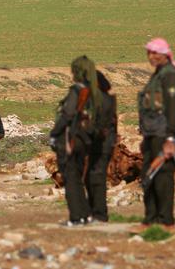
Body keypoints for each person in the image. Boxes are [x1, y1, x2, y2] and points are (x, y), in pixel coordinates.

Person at [135, 38, 175, 233]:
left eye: (155, 53)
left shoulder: (170, 75)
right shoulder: (158, 74)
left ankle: (166, 222)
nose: (151, 57)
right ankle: (150, 219)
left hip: (163, 133)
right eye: (149, 53)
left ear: (164, 54)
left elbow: (172, 107)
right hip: (151, 133)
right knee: (149, 174)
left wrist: (171, 138)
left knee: (163, 176)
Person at [49, 56, 101, 226]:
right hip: (85, 140)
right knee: (78, 178)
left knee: (70, 179)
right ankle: (85, 214)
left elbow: (67, 114)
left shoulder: (77, 91)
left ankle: (76, 217)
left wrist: (54, 133)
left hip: (70, 139)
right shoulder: (94, 92)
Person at [84, 70, 117, 222]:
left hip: (102, 144)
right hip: (96, 144)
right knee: (90, 178)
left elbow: (100, 126)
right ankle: (93, 212)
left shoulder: (103, 100)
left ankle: (100, 214)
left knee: (96, 178)